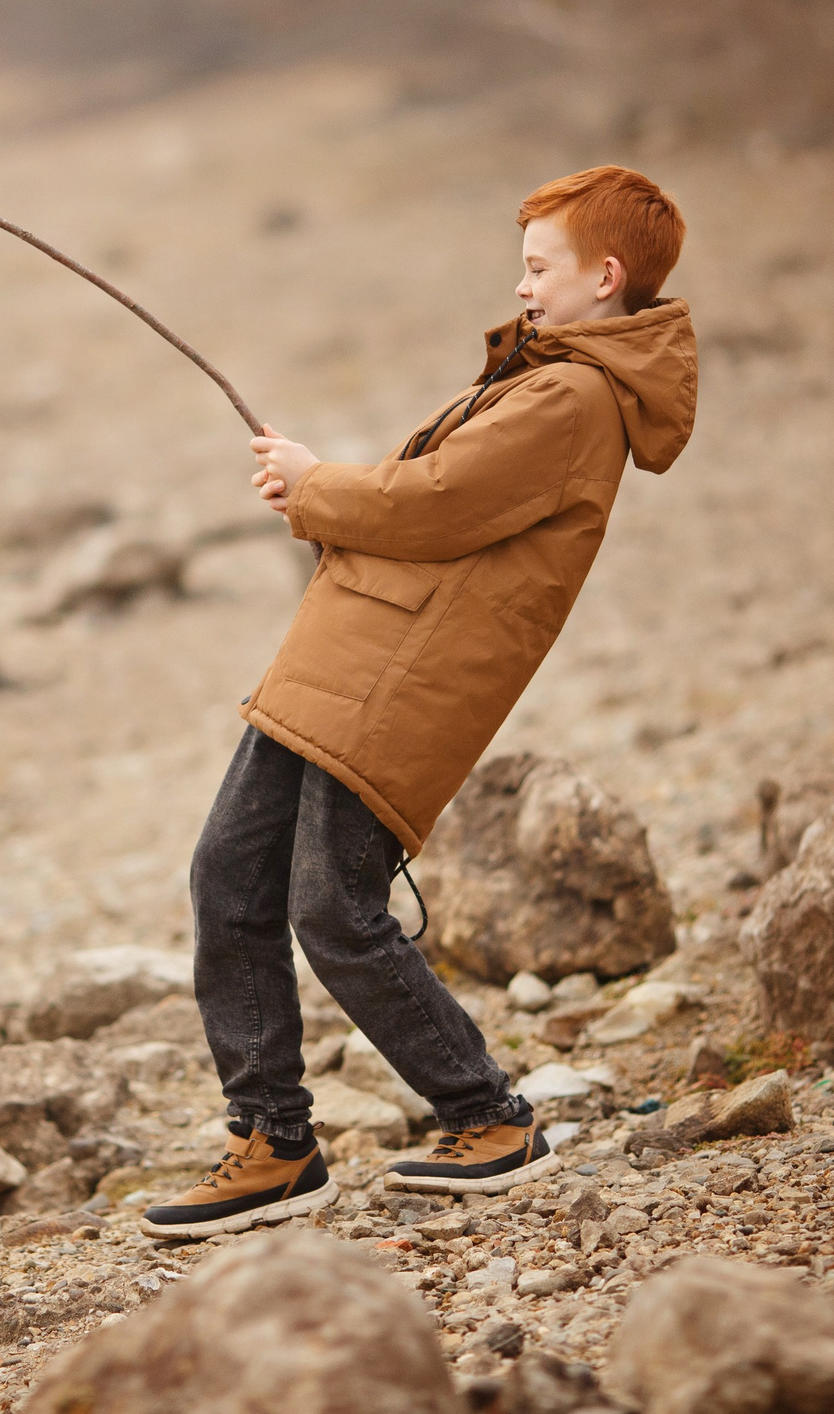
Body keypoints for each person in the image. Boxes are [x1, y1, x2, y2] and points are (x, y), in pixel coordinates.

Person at [139, 165, 700, 1240]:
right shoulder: (546, 378)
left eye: (540, 268)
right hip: (344, 661)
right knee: (227, 875)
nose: (524, 286)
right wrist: (319, 492)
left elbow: (436, 504)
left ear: (606, 276)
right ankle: (274, 1143)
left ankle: (486, 1116)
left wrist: (314, 484)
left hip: (404, 685)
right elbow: (424, 505)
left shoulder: (575, 398)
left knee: (329, 905)